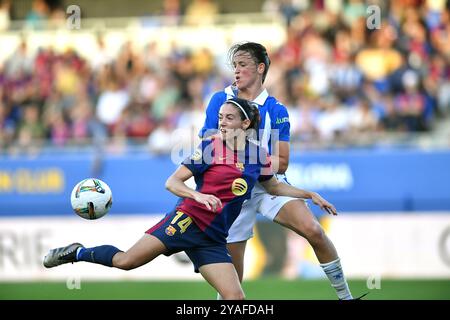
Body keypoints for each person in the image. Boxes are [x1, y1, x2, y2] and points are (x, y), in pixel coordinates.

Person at [43, 97, 337, 300]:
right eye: (220, 117)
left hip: (213, 238)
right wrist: (199, 195)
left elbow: (273, 187)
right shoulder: (210, 148)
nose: (222, 122)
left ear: (245, 124)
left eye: (229, 118)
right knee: (126, 261)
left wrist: (309, 194)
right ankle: (77, 252)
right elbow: (172, 182)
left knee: (235, 296)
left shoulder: (257, 155)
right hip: (185, 223)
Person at [199, 42, 354, 300]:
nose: (236, 71)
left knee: (313, 230)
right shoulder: (220, 99)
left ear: (260, 68)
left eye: (243, 65)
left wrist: (248, 162)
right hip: (231, 190)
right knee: (232, 280)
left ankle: (345, 297)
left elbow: (282, 163)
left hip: (267, 186)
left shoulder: (276, 110)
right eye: (234, 66)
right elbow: (206, 146)